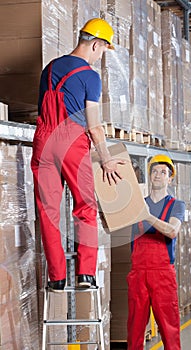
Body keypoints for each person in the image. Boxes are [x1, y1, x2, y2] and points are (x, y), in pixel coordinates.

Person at [31, 18, 125, 292]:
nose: (101, 56)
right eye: (103, 50)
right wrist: (106, 157)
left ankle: (57, 278)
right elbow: (94, 125)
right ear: (96, 44)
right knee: (85, 208)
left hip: (43, 141)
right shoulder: (90, 77)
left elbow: (43, 109)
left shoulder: (49, 68)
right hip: (71, 141)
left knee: (47, 212)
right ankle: (85, 274)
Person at [127, 154, 185, 350]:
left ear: (170, 178)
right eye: (154, 171)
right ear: (150, 176)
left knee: (169, 328)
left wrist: (147, 216)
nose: (158, 175)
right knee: (135, 329)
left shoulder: (176, 205)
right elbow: (114, 230)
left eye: (163, 172)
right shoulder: (136, 204)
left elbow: (172, 230)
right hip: (138, 274)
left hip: (162, 275)